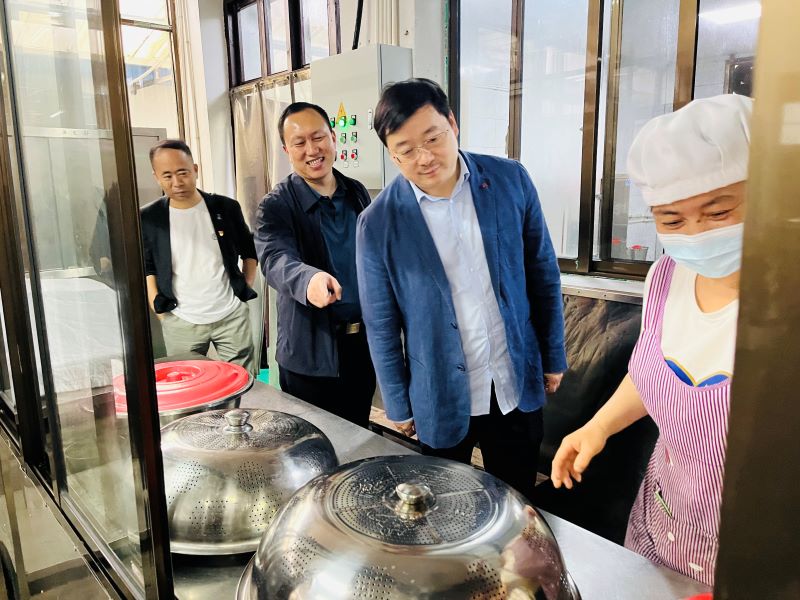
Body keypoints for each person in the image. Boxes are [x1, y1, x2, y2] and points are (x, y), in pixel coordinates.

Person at [550, 94, 753, 586]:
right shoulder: (667, 276)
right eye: (672, 220)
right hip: (664, 522)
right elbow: (652, 373)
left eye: (718, 211)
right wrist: (598, 426)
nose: (696, 234)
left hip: (758, 551)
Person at [356, 78, 566, 501]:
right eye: (406, 149)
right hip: (440, 394)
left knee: (517, 502)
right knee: (445, 509)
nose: (424, 157)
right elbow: (381, 323)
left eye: (433, 138)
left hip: (513, 381)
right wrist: (397, 402)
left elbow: (542, 272)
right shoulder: (378, 223)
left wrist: (553, 355)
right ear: (392, 154)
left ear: (452, 123)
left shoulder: (509, 180)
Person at [255, 102, 375, 428]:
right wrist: (309, 280)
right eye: (299, 142)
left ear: (333, 138)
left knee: (358, 435)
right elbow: (275, 258)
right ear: (287, 151)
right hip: (310, 355)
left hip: (360, 348)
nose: (312, 150)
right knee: (314, 443)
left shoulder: (356, 193)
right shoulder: (276, 205)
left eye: (318, 137)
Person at [141, 139, 258, 373]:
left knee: (243, 380)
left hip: (231, 315)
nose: (177, 182)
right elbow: (148, 267)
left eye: (183, 173)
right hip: (181, 320)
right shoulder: (150, 218)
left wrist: (243, 290)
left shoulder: (226, 208)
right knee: (187, 383)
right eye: (167, 176)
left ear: (195, 170)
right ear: (156, 177)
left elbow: (249, 252)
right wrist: (162, 313)